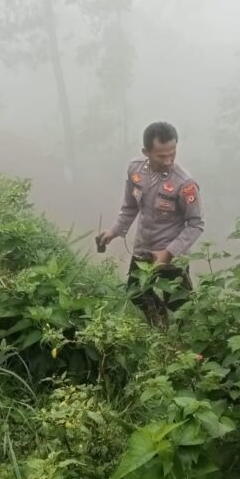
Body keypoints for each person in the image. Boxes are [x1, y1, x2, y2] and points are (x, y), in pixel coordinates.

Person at [96, 121, 204, 329]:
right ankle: (159, 327)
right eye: (161, 155)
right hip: (143, 249)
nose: (168, 160)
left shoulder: (185, 184)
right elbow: (130, 206)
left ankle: (186, 348)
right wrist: (115, 231)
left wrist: (169, 253)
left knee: (181, 307)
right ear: (146, 151)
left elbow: (196, 224)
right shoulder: (135, 170)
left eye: (172, 153)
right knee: (136, 292)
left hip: (172, 256)